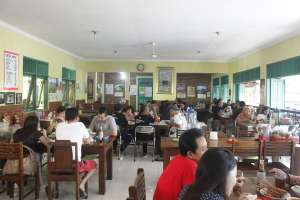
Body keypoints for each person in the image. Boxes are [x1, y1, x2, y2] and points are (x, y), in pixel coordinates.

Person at [153, 128, 207, 200]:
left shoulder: (178, 157)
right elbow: (193, 196)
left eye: (206, 147)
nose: (207, 152)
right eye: (203, 149)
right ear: (190, 154)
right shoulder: (191, 166)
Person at [56, 107, 97, 198]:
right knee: (95, 163)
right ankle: (81, 184)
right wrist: (87, 139)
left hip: (59, 164)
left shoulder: (59, 125)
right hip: (75, 165)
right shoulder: (80, 125)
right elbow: (87, 141)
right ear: (77, 117)